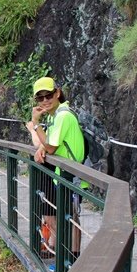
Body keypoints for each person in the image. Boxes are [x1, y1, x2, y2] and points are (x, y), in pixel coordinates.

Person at [26, 77, 85, 260]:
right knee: (69, 217)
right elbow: (49, 144)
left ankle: (70, 261)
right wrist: (42, 147)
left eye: (48, 95)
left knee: (70, 218)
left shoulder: (63, 116)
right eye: (40, 98)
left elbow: (51, 146)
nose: (45, 100)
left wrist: (35, 124)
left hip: (70, 175)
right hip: (63, 174)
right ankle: (69, 259)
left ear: (57, 93)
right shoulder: (54, 116)